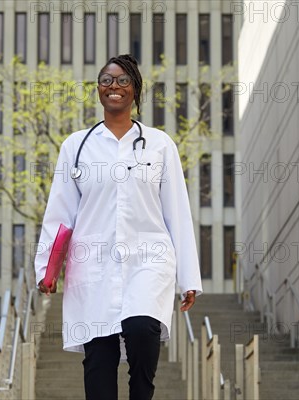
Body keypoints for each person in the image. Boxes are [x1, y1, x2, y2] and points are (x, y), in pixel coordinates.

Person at [35, 54, 202, 400]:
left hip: (149, 260)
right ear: (98, 89)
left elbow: (177, 214)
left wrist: (189, 278)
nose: (114, 87)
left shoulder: (159, 145)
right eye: (107, 80)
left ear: (136, 90)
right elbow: (60, 214)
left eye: (123, 80)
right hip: (92, 267)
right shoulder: (76, 147)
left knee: (143, 329)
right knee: (99, 364)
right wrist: (46, 270)